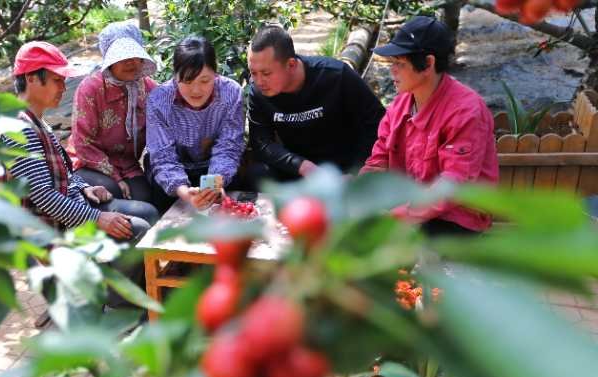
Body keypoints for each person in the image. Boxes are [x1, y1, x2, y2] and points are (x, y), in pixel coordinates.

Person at [2, 41, 158, 242]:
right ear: (31, 78)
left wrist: (84, 187)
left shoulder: (38, 122)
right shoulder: (19, 129)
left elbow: (62, 175)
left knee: (147, 213)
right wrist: (98, 218)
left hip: (72, 206)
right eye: (57, 80)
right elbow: (43, 196)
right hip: (49, 228)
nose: (63, 89)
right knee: (139, 226)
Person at [361, 16, 498, 235]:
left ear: (428, 63)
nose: (392, 71)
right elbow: (379, 159)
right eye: (392, 63)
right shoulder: (399, 105)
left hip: (456, 218)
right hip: (409, 209)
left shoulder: (466, 111)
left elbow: (452, 187)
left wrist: (395, 217)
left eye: (400, 64)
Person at [246, 24, 385, 183]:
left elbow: (377, 122)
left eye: (266, 73)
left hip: (344, 169)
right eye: (253, 72)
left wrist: (358, 170)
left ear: (291, 64)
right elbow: (261, 142)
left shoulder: (336, 75)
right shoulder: (258, 91)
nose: (259, 81)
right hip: (300, 169)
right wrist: (303, 166)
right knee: (257, 174)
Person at [146, 36, 246, 212]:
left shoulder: (231, 92)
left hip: (215, 172)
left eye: (205, 80)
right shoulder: (159, 100)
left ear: (216, 73)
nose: (196, 90)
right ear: (175, 75)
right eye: (187, 81)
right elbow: (163, 156)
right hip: (175, 175)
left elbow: (228, 145)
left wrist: (213, 186)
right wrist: (184, 192)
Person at [66, 21, 158, 205]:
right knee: (114, 191)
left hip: (128, 166)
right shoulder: (90, 89)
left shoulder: (149, 88)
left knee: (148, 198)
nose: (131, 63)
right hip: (89, 164)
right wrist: (116, 176)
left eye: (135, 56)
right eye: (123, 58)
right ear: (110, 61)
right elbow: (83, 144)